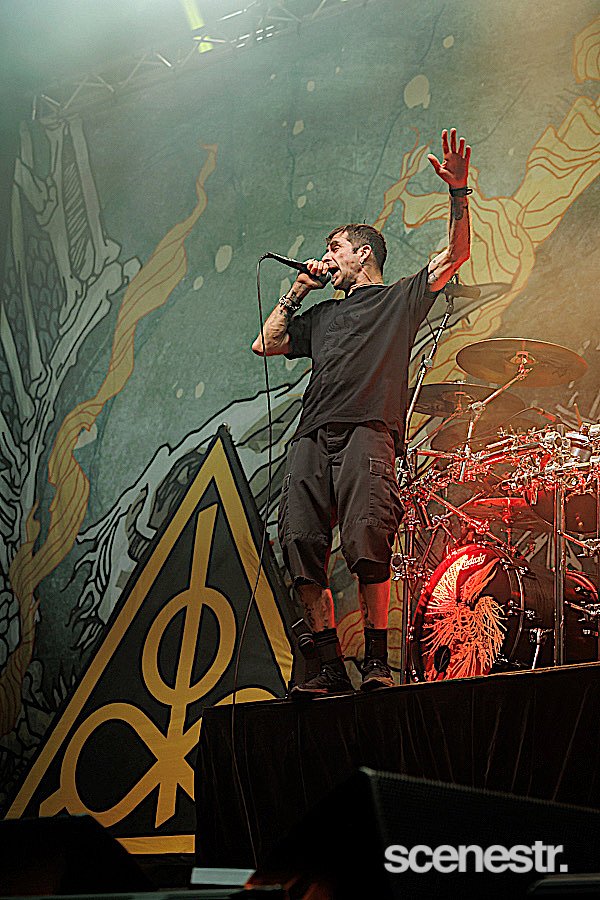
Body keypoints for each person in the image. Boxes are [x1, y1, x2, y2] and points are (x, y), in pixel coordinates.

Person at [252, 128, 471, 698]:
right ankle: (328, 667)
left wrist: (458, 192)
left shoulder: (398, 298)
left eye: (334, 249)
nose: (326, 259)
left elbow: (455, 255)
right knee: (300, 543)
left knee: (368, 540)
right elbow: (266, 343)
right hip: (311, 436)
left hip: (368, 433)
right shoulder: (322, 314)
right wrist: (297, 290)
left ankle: (376, 662)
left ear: (362, 253)